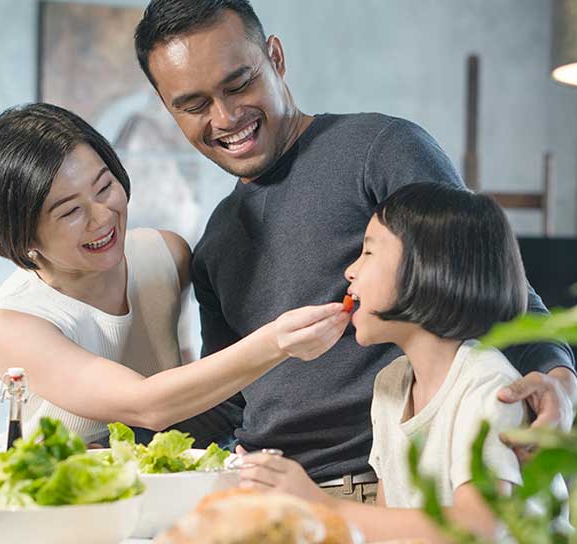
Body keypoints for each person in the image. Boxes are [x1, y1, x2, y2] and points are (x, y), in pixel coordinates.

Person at [133, 0, 576, 498]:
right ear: (169, 110)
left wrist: (558, 376)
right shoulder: (216, 239)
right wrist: (117, 441)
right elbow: (228, 399)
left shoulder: (379, 149)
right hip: (264, 487)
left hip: (374, 484)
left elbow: (486, 283)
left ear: (276, 58)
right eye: (194, 106)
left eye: (238, 85)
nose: (226, 116)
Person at [0, 102, 349, 446]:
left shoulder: (165, 255)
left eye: (104, 187)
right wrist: (278, 342)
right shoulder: (15, 322)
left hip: (163, 482)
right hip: (61, 493)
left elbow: (193, 376)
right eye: (70, 212)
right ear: (22, 235)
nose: (103, 216)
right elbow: (146, 404)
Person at [237, 183, 531, 541]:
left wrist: (320, 504)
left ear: (428, 267)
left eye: (368, 252)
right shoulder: (391, 382)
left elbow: (480, 526)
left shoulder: (487, 385)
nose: (350, 270)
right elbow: (385, 523)